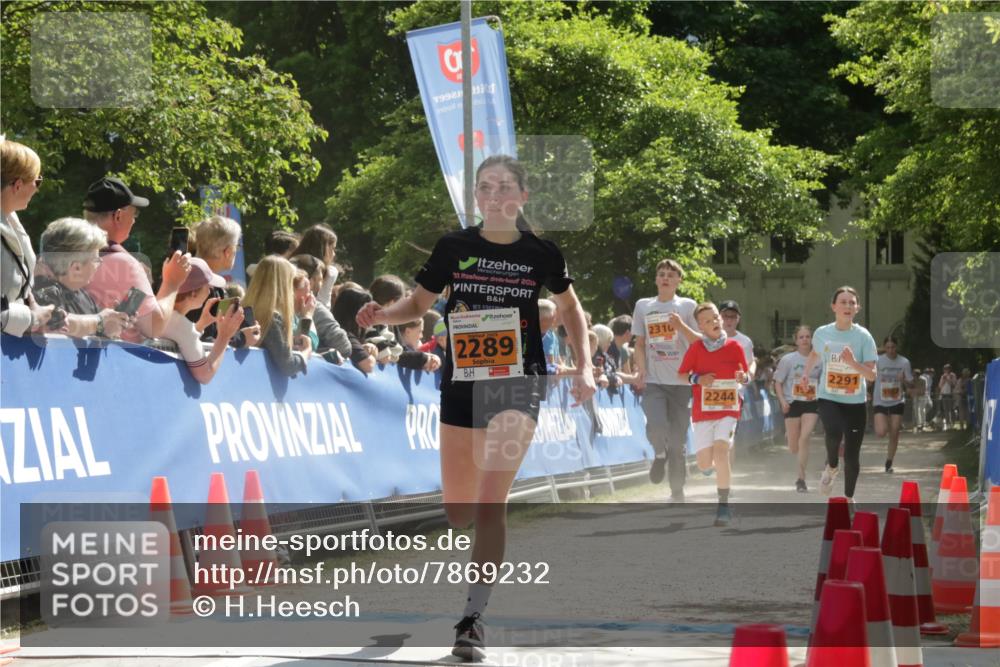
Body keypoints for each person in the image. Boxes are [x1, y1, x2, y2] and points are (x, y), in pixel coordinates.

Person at [356, 154, 595, 661]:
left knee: (489, 502)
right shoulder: (454, 246)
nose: (494, 195)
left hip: (518, 384)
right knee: (459, 510)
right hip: (462, 383)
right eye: (485, 187)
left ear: (523, 197)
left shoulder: (541, 253)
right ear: (477, 197)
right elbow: (417, 305)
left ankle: (472, 620)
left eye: (505, 186)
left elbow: (571, 307)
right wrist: (383, 315)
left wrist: (587, 366)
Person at [82, 176, 190, 342]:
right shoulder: (124, 263)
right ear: (118, 216)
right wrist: (172, 283)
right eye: (135, 214)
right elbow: (154, 326)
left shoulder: (64, 251)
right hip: (112, 356)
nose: (134, 221)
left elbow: (127, 309)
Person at [799, 286, 877, 502]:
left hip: (855, 402)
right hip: (829, 397)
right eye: (843, 302)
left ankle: (849, 498)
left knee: (851, 456)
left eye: (852, 303)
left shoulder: (863, 337)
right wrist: (806, 373)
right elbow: (815, 353)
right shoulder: (822, 333)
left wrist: (852, 363)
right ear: (833, 307)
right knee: (833, 433)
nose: (847, 306)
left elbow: (871, 375)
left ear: (857, 308)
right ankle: (832, 465)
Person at [677, 302, 750, 526]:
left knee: (721, 451)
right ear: (700, 326)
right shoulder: (696, 348)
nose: (715, 322)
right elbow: (682, 375)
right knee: (704, 464)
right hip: (703, 412)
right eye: (708, 321)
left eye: (716, 317)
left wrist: (743, 377)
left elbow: (746, 374)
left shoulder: (735, 346)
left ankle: (723, 506)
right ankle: (707, 469)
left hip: (729, 408)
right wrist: (698, 379)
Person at [631, 258, 698, 500]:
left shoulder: (688, 306)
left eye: (671, 274)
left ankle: (677, 491)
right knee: (657, 425)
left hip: (682, 383)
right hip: (655, 382)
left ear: (679, 280)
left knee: (678, 443)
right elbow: (639, 343)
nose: (666, 277)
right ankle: (660, 454)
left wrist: (680, 326)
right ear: (656, 279)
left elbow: (699, 341)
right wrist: (641, 369)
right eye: (661, 274)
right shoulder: (643, 306)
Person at [34, 217, 131, 338]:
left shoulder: (82, 295)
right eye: (96, 260)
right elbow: (54, 324)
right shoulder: (43, 292)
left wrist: (112, 323)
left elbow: (95, 331)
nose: (99, 263)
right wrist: (100, 321)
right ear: (76, 268)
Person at [1, 138, 57, 335]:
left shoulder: (10, 219)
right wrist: (32, 319)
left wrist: (34, 308)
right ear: (17, 185)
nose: (37, 188)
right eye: (37, 181)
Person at [162, 258, 244, 384]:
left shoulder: (159, 310)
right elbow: (205, 375)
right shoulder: (183, 327)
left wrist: (201, 325)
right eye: (208, 287)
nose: (210, 291)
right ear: (194, 294)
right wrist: (224, 336)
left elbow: (182, 337)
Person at [188, 215, 260, 348]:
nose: (236, 251)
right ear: (228, 251)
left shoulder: (197, 278)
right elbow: (204, 341)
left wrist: (239, 333)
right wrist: (242, 339)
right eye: (237, 246)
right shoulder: (199, 284)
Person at [243, 256, 312, 377]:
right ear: (284, 285)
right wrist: (306, 353)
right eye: (290, 282)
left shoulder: (242, 311)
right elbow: (288, 365)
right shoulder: (272, 318)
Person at [772, 325, 821, 492]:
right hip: (792, 403)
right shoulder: (788, 360)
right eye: (801, 337)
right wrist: (782, 401)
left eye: (808, 336)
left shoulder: (819, 359)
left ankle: (801, 478)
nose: (805, 340)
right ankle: (791, 434)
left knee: (804, 438)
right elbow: (778, 382)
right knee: (794, 447)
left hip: (811, 402)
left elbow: (824, 382)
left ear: (812, 339)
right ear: (796, 340)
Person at [288, 254, 351, 361]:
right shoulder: (313, 309)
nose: (320, 285)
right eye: (320, 279)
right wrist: (307, 316)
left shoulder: (314, 308)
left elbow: (344, 347)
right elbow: (299, 347)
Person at [872, 336, 913, 473]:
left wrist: (904, 380)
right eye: (888, 347)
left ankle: (889, 462)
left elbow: (911, 384)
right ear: (884, 348)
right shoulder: (878, 361)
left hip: (897, 400)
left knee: (895, 432)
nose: (890, 350)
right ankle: (886, 424)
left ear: (897, 347)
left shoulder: (904, 362)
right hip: (880, 400)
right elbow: (870, 377)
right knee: (881, 432)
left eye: (893, 347)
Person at [332, 286, 378, 373]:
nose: (371, 314)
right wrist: (373, 354)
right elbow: (368, 365)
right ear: (356, 311)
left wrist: (364, 347)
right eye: (367, 309)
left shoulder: (336, 329)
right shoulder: (343, 334)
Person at [292, 224, 339, 307]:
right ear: (323, 248)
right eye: (332, 248)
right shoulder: (330, 273)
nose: (334, 254)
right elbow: (323, 304)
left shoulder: (290, 264)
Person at [718, 300, 757, 380]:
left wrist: (748, 376)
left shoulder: (746, 341)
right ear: (718, 318)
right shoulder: (709, 339)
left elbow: (750, 363)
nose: (729, 320)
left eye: (733, 316)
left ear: (738, 319)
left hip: (737, 385)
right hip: (714, 385)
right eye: (725, 316)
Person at [937, 364, 958, 430]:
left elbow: (954, 385)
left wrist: (947, 379)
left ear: (949, 369)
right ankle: (948, 424)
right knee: (945, 410)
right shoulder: (942, 376)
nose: (945, 370)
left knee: (951, 410)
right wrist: (943, 379)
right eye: (944, 369)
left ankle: (953, 423)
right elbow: (940, 386)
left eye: (947, 369)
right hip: (943, 395)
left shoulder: (952, 375)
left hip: (950, 395)